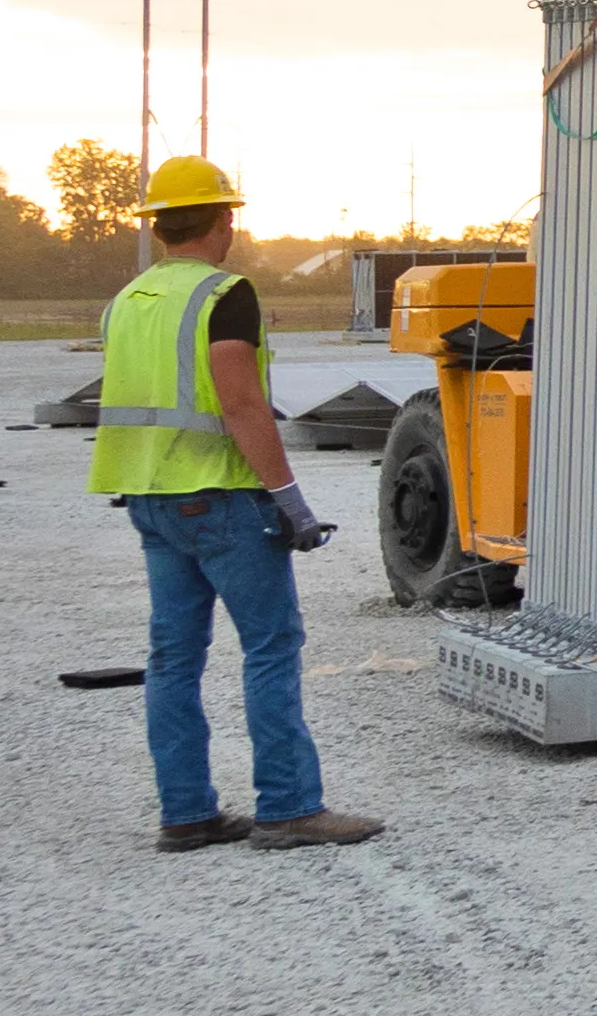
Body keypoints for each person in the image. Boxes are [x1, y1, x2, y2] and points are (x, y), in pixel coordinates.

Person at [89, 158, 382, 853]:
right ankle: (288, 807)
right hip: (221, 497)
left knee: (173, 659)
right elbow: (241, 401)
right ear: (224, 219)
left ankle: (186, 814)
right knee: (272, 648)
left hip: (152, 499)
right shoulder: (226, 294)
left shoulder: (128, 300)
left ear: (159, 224)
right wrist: (291, 501)